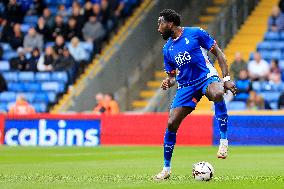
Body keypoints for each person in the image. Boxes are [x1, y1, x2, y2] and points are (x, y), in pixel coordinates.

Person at [154, 9, 237, 180]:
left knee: (218, 93)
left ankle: (223, 141)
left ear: (170, 23)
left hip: (206, 77)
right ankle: (166, 169)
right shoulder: (167, 48)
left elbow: (219, 54)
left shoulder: (196, 33)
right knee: (171, 123)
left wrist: (226, 78)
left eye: (160, 24)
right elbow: (172, 77)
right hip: (186, 86)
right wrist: (167, 81)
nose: (159, 28)